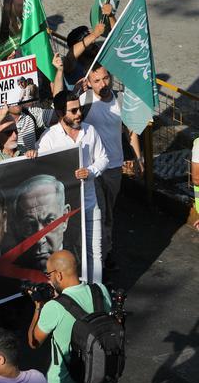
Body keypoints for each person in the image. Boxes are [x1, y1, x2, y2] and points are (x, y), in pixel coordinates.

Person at [28, 249, 113, 383]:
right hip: (100, 378)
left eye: (49, 275)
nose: (49, 279)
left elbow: (33, 342)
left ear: (58, 275)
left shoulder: (53, 308)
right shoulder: (101, 290)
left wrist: (38, 308)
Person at [37, 90, 108, 283]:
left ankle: (96, 292)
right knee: (69, 255)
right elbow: (41, 171)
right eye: (73, 111)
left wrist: (91, 171)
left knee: (95, 252)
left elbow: (103, 158)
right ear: (60, 114)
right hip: (63, 212)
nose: (79, 114)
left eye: (80, 109)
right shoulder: (49, 138)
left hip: (90, 203)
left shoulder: (90, 130)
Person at [80, 64, 142, 272]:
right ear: (88, 82)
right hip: (91, 169)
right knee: (99, 211)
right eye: (96, 81)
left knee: (108, 213)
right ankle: (100, 257)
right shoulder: (84, 101)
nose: (103, 84)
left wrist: (137, 158)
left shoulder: (121, 100)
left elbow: (130, 131)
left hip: (114, 167)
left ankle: (105, 251)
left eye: (106, 78)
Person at [12, 175, 70, 272]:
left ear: (65, 218)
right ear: (16, 228)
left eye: (49, 221)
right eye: (29, 225)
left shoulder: (83, 261)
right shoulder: (10, 271)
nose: (39, 240)